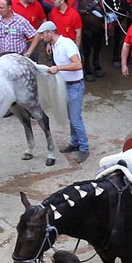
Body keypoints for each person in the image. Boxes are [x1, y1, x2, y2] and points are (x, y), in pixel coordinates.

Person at [44, 16, 89, 161]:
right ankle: (75, 142)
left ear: (50, 33)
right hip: (66, 86)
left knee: (75, 119)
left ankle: (84, 147)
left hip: (74, 86)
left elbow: (78, 64)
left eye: (43, 34)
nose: (41, 37)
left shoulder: (66, 44)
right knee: (71, 117)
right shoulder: (56, 45)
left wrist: (58, 68)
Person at [48, 0, 90, 74]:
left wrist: (76, 48)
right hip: (56, 44)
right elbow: (51, 30)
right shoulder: (53, 12)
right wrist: (49, 44)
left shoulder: (74, 14)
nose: (53, 2)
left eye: (55, 0)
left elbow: (78, 33)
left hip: (70, 45)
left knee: (72, 66)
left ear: (62, 0)